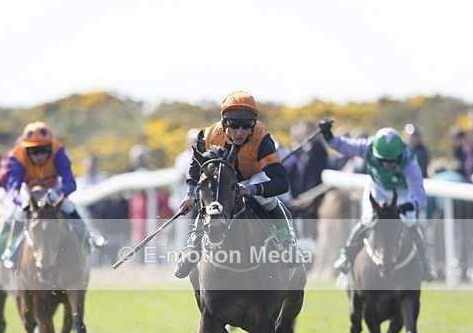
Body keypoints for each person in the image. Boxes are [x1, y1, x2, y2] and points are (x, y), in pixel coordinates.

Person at [174, 90, 299, 278]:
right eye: (234, 125)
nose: (240, 132)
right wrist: (190, 193)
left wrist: (252, 189)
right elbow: (195, 165)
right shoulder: (207, 135)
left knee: (268, 200)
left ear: (254, 124)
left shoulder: (262, 138)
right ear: (225, 123)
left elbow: (281, 183)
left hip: (253, 177)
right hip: (223, 181)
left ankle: (287, 241)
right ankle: (193, 247)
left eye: (246, 125)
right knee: (210, 201)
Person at [319, 119, 436, 281]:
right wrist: (328, 135)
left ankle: (426, 263)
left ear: (399, 155)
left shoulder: (409, 161)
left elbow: (419, 195)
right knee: (367, 220)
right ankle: (347, 256)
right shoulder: (368, 147)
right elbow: (344, 146)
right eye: (383, 160)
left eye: (392, 160)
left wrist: (409, 205)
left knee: (410, 221)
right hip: (377, 189)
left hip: (401, 192)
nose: (387, 164)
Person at [0, 122, 103, 268]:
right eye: (34, 151)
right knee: (17, 213)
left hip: (52, 188)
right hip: (28, 189)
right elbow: (13, 188)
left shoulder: (59, 151)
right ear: (26, 150)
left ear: (50, 147)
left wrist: (58, 194)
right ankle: (7, 250)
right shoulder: (16, 156)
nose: (39, 156)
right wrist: (22, 202)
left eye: (43, 150)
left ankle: (89, 239)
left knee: (69, 207)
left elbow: (70, 183)